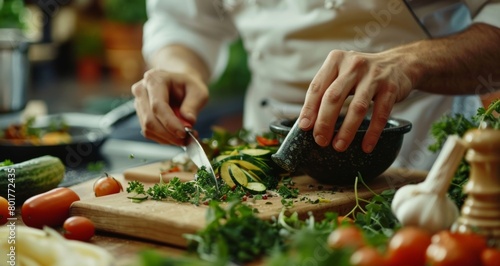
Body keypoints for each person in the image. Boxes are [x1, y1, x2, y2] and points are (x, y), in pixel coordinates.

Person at [132, 0, 500, 171]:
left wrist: (412, 62)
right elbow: (185, 23)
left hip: (422, 149)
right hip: (270, 139)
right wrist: (179, 68)